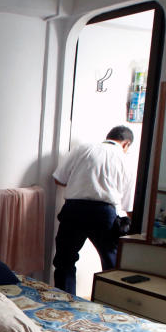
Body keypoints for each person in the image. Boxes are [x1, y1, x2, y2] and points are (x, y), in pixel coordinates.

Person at [51, 125, 135, 295]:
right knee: (111, 263)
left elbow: (58, 180)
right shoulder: (125, 160)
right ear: (126, 144)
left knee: (64, 260)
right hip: (104, 213)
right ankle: (109, 303)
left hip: (74, 210)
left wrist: (80, 183)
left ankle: (64, 303)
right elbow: (128, 205)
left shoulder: (82, 148)